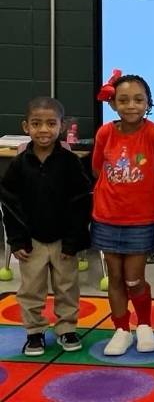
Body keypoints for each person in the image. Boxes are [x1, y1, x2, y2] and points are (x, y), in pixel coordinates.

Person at [0, 97, 91, 356]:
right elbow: (9, 204)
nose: (43, 129)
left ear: (62, 127)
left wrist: (74, 241)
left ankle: (66, 328)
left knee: (67, 286)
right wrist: (17, 240)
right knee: (31, 289)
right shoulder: (19, 165)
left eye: (51, 123)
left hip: (64, 241)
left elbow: (81, 201)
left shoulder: (70, 162)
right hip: (32, 241)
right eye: (37, 123)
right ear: (26, 126)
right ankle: (35, 332)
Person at [91, 72, 154, 356]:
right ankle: (121, 329)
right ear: (113, 103)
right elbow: (97, 169)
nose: (131, 105)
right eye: (123, 100)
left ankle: (145, 325)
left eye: (138, 99)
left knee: (133, 279)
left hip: (141, 219)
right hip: (107, 216)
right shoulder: (105, 133)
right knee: (114, 277)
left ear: (148, 103)